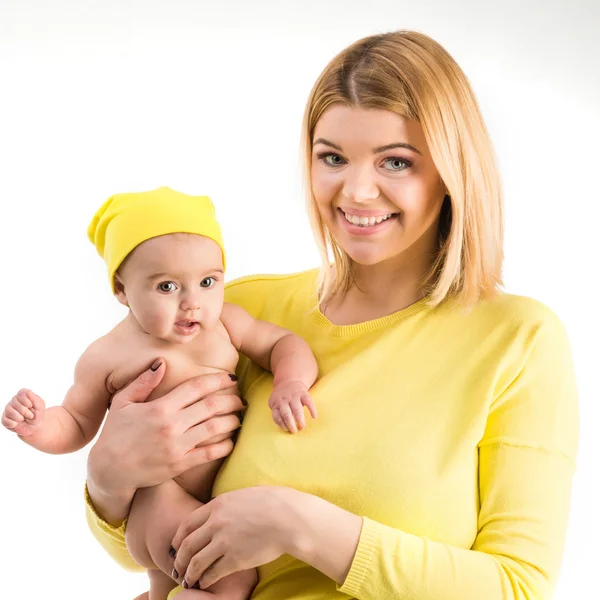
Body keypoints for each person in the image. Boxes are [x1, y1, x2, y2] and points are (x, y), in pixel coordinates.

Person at [83, 30, 579, 600]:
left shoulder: (518, 340)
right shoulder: (242, 312)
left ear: (450, 170)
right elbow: (145, 545)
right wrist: (107, 477)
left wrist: (296, 524)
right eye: (333, 158)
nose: (357, 191)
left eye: (395, 161)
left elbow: (519, 587)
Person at [2, 187, 319, 600]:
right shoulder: (107, 355)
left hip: (210, 494)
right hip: (161, 497)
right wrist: (39, 425)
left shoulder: (224, 322)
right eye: (167, 287)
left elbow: (283, 344)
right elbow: (76, 423)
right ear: (121, 289)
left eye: (207, 282)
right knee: (235, 579)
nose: (192, 303)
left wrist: (290, 382)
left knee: (165, 586)